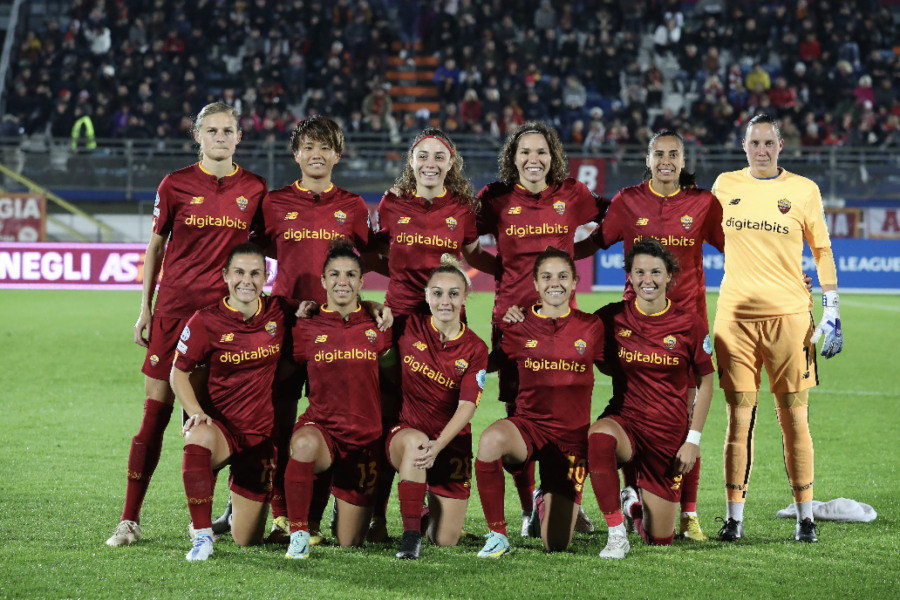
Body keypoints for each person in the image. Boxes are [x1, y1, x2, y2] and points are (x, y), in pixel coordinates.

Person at [106, 102, 268, 547]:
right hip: (174, 313)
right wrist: (146, 308)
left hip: (226, 321)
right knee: (154, 418)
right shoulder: (175, 184)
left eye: (228, 130)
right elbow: (155, 247)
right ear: (198, 136)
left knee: (223, 416)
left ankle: (221, 515)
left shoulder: (254, 188)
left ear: (239, 137)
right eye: (212, 130)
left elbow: (268, 252)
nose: (220, 137)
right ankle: (129, 520)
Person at [574, 130, 725, 541]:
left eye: (673, 154)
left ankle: (688, 513)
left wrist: (784, 273)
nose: (666, 161)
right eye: (659, 154)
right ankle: (630, 490)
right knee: (632, 403)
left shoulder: (703, 203)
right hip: (633, 326)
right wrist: (551, 260)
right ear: (648, 158)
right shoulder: (627, 200)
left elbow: (738, 249)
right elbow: (597, 241)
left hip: (686, 324)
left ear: (682, 159)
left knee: (685, 417)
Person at [711, 114, 843, 544]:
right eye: (755, 142)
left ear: (781, 146)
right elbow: (697, 242)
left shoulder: (804, 190)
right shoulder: (724, 185)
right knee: (737, 421)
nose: (762, 150)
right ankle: (734, 519)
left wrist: (832, 308)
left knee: (795, 420)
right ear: (744, 145)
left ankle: (806, 518)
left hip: (789, 319)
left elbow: (821, 249)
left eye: (769, 142)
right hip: (734, 320)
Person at [476, 121, 608, 536]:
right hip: (513, 321)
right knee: (519, 414)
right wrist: (504, 270)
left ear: (553, 158)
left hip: (563, 322)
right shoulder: (495, 199)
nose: (534, 160)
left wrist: (576, 253)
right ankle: (529, 507)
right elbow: (466, 243)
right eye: (525, 153)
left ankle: (568, 499)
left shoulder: (572, 194)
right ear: (512, 158)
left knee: (570, 414)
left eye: (542, 153)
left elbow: (606, 228)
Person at [256, 115, 379, 545]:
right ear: (296, 153)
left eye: (325, 147)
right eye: (308, 146)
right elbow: (255, 254)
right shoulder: (272, 203)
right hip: (286, 330)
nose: (316, 154)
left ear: (338, 155)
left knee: (335, 422)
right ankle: (277, 512)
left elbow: (368, 261)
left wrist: (376, 303)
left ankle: (318, 513)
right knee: (279, 426)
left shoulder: (354, 206)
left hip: (340, 332)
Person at [368, 127, 495, 541]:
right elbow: (376, 253)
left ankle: (437, 493)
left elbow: (473, 254)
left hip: (445, 317)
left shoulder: (462, 207)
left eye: (439, 157)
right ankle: (376, 513)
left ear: (451, 162)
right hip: (400, 322)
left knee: (448, 403)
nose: (430, 163)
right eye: (423, 155)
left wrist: (510, 273)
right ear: (411, 161)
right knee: (388, 413)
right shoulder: (391, 203)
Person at [588, 239, 715, 558]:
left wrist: (693, 440)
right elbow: (567, 329)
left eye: (656, 272)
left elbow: (707, 382)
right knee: (599, 440)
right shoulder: (610, 317)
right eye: (640, 272)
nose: (648, 279)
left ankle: (633, 508)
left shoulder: (690, 324)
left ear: (670, 276)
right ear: (628, 276)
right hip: (625, 422)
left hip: (668, 435)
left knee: (660, 539)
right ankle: (616, 535)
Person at [475, 248, 605, 558]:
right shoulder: (517, 325)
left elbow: (617, 367)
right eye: (546, 277)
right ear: (535, 283)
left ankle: (543, 501)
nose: (554, 283)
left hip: (572, 439)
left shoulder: (592, 327)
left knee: (556, 545)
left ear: (574, 282)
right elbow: (489, 363)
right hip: (529, 428)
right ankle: (498, 535)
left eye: (562, 276)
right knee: (490, 440)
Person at [172, 243, 293, 561]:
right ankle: (201, 535)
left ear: (267, 276)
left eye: (255, 273)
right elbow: (178, 374)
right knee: (197, 435)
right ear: (225, 275)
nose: (247, 280)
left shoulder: (279, 312)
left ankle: (234, 509)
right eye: (239, 272)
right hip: (221, 431)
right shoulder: (205, 321)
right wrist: (196, 413)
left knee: (246, 539)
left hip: (260, 438)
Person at [283, 240, 394, 559]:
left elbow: (390, 380)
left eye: (350, 274)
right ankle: (299, 532)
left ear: (361, 281)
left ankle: (338, 505)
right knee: (303, 445)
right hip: (323, 430)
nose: (342, 281)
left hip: (365, 438)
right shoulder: (306, 325)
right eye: (334, 274)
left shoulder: (379, 324)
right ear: (323, 280)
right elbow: (287, 375)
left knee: (350, 542)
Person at [387, 256, 489, 560]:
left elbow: (468, 405)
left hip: (451, 444)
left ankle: (424, 507)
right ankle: (410, 537)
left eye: (453, 294)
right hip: (405, 435)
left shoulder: (476, 348)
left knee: (446, 540)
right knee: (418, 445)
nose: (445, 301)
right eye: (438, 293)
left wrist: (439, 445)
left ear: (465, 298)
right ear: (427, 296)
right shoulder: (408, 326)